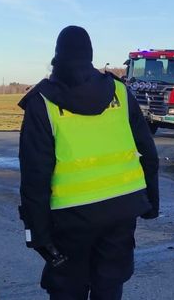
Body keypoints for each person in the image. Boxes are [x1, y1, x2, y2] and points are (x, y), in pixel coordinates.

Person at [19, 26, 159, 300]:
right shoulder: (119, 91)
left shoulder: (42, 102)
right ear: (90, 55)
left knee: (67, 290)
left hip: (70, 221)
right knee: (109, 288)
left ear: (57, 57)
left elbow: (35, 177)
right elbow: (148, 153)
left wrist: (39, 235)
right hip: (121, 211)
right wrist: (150, 203)